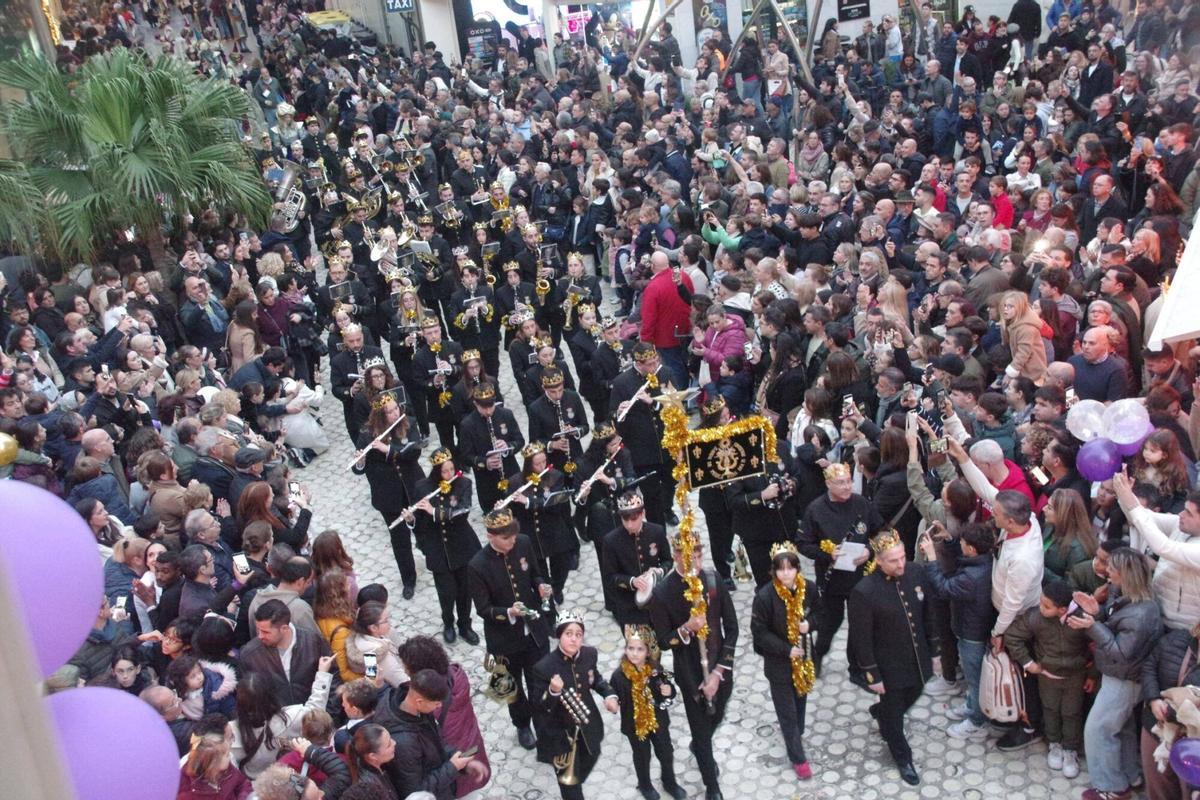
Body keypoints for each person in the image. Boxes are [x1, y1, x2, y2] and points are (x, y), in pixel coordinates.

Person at [1070, 547, 1163, 800]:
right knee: (1122, 727)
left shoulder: (1142, 613)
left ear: (1125, 574)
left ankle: (1112, 788)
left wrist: (1093, 625)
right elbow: (1114, 625)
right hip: (1123, 676)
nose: (1105, 571)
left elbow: (1121, 652)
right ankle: (1130, 775)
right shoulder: (1124, 594)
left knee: (1098, 730)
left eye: (1111, 568)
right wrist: (1096, 613)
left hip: (1124, 678)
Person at [649, 534, 737, 800]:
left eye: (698, 557)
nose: (695, 564)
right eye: (689, 558)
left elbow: (732, 628)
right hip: (689, 673)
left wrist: (719, 672)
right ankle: (712, 786)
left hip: (720, 666)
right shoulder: (663, 593)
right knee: (700, 728)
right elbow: (664, 641)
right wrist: (686, 628)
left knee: (716, 715)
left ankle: (700, 746)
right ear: (676, 556)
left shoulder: (712, 579)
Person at [848, 529, 938, 786]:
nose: (901, 564)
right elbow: (861, 638)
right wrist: (872, 674)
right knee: (894, 716)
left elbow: (928, 615)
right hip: (888, 665)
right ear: (878, 561)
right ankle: (902, 757)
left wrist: (935, 652)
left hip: (917, 656)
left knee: (915, 692)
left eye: (902, 557)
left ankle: (882, 713)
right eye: (893, 560)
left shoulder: (915, 573)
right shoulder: (865, 591)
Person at [467, 507, 553, 750]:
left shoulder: (523, 543)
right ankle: (522, 724)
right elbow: (483, 609)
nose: (512, 542)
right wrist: (508, 612)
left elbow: (535, 574)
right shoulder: (477, 565)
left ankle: (544, 724)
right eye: (506, 538)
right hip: (504, 639)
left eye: (513, 536)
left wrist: (540, 586)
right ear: (490, 536)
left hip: (534, 630)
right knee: (511, 686)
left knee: (540, 681)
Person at [797, 462, 883, 677]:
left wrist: (869, 550)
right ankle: (818, 653)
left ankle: (857, 668)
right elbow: (803, 543)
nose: (847, 487)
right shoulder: (815, 509)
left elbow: (880, 532)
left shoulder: (862, 504)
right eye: (840, 483)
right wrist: (827, 554)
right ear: (828, 484)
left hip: (861, 577)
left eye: (849, 481)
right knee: (830, 622)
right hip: (831, 580)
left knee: (859, 624)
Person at [1002, 579, 1093, 779]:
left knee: (1072, 712)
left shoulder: (1081, 618)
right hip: (1047, 675)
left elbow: (1097, 646)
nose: (1041, 607)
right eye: (1041, 602)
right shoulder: (1036, 617)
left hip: (1075, 676)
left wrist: (1092, 674)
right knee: (1050, 709)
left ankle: (1070, 749)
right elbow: (1013, 636)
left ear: (1062, 610)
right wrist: (1028, 663)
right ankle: (1054, 744)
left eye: (1046, 606)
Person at [528, 611, 619, 799]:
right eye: (568, 634)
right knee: (571, 788)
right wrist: (553, 691)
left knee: (592, 756)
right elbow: (539, 707)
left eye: (578, 634)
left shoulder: (589, 654)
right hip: (559, 736)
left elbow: (595, 679)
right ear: (559, 635)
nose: (574, 639)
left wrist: (609, 695)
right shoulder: (543, 667)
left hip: (587, 726)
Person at [918, 523, 996, 741]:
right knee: (973, 679)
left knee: (975, 680)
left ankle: (976, 722)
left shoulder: (971, 578)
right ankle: (971, 706)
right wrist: (950, 540)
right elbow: (963, 559)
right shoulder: (985, 561)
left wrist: (932, 559)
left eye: (961, 542)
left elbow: (943, 588)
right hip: (974, 628)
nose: (960, 544)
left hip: (972, 634)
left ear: (971, 548)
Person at [750, 542, 816, 780]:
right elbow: (759, 632)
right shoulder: (765, 596)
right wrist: (786, 650)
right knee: (787, 712)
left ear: (798, 569)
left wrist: (810, 624)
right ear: (774, 571)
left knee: (800, 705)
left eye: (790, 568)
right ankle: (798, 758)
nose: (786, 574)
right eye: (781, 569)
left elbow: (821, 612)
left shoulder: (809, 588)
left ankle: (796, 733)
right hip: (778, 664)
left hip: (804, 660)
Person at [406, 447, 481, 644]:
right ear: (437, 471)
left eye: (451, 469)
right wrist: (411, 519)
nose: (449, 474)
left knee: (465, 591)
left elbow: (462, 512)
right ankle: (448, 623)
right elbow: (420, 523)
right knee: (446, 593)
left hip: (462, 545)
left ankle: (465, 625)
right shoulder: (422, 487)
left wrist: (434, 511)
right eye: (444, 471)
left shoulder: (464, 483)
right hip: (437, 548)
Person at [383, 670, 488, 799]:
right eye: (436, 703)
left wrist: (462, 763)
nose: (439, 706)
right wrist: (452, 767)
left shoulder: (419, 711)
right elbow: (416, 792)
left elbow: (437, 743)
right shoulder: (404, 743)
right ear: (419, 701)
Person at [609, 625, 685, 800]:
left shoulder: (656, 669)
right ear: (625, 649)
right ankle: (645, 784)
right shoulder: (619, 676)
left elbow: (668, 689)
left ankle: (669, 782)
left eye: (640, 649)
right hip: (635, 725)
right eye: (631, 648)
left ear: (648, 652)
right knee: (642, 755)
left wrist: (669, 691)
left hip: (658, 721)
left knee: (666, 752)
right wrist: (612, 701)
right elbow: (613, 695)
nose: (634, 653)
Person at [600, 489, 671, 627]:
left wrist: (659, 571)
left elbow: (667, 560)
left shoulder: (657, 531)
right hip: (628, 606)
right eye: (625, 519)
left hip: (657, 599)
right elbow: (609, 577)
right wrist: (632, 582)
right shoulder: (611, 541)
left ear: (643, 514)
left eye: (634, 519)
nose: (629, 524)